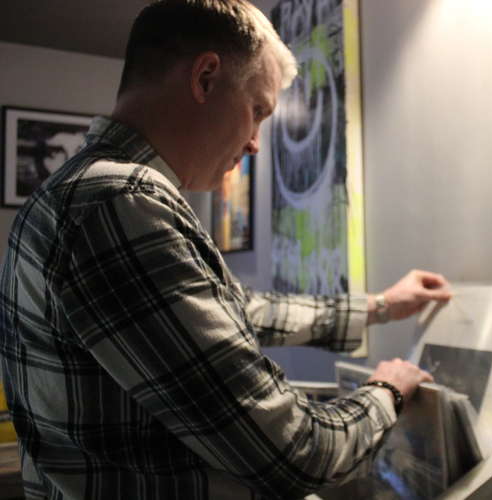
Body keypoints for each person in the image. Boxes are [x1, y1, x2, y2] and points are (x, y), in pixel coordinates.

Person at [0, 1, 452, 499]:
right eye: (257, 110)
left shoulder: (89, 192)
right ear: (207, 78)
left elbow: (237, 310)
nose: (256, 143)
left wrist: (382, 306)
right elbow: (297, 454)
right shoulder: (121, 202)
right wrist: (387, 390)